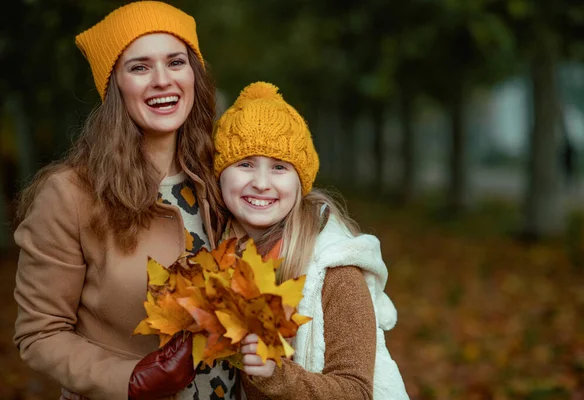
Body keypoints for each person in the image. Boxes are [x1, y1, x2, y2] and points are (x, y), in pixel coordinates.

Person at [12, 2, 237, 399]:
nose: (162, 80)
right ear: (114, 84)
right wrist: (128, 380)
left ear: (194, 75)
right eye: (139, 67)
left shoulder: (223, 179)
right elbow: (39, 332)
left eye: (176, 62)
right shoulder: (72, 195)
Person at [212, 81, 409, 399]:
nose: (261, 183)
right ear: (220, 174)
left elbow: (357, 390)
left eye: (279, 167)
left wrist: (276, 375)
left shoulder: (335, 269)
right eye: (245, 164)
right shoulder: (213, 255)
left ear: (299, 181)